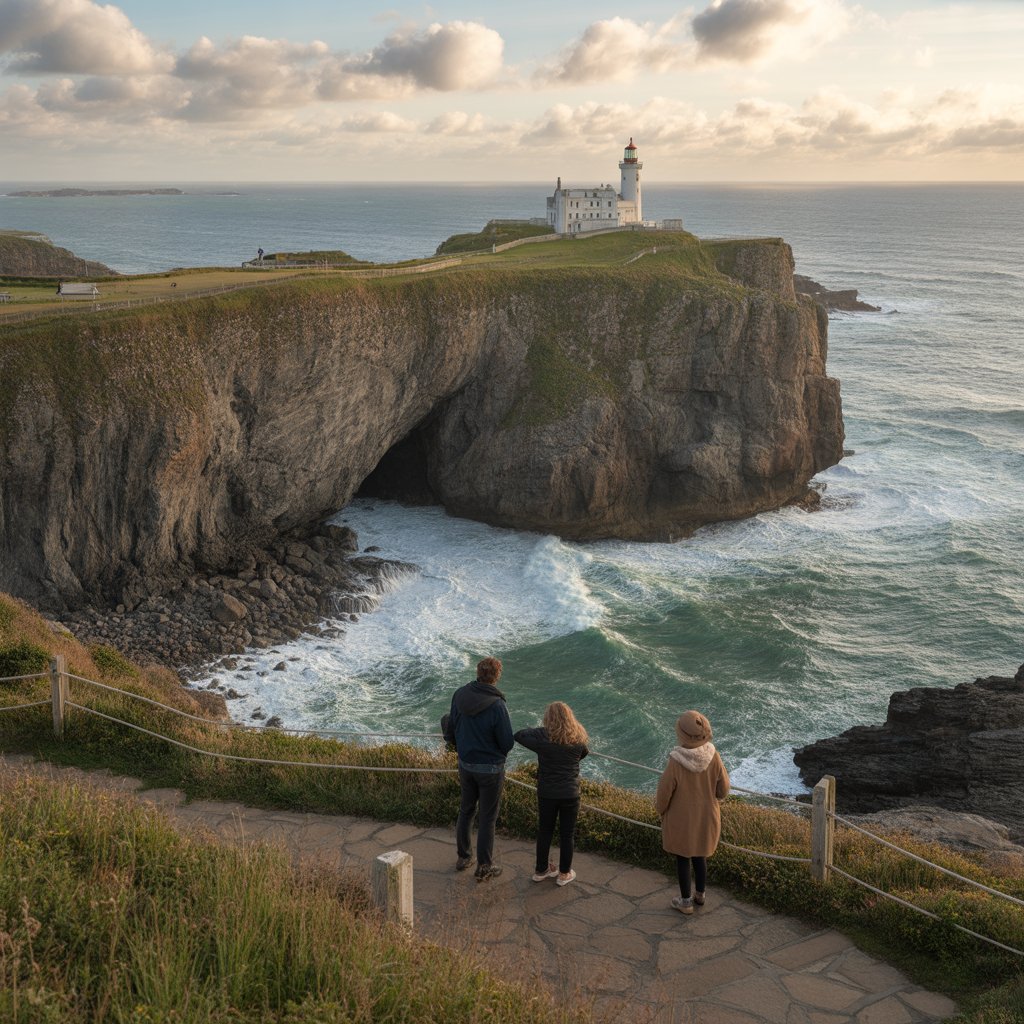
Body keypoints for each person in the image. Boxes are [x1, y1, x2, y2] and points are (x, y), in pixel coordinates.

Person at [442, 657, 513, 882]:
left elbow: (451, 724)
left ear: (478, 672)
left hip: (466, 765)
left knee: (466, 810)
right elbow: (507, 742)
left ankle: (464, 857)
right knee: (487, 818)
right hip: (490, 769)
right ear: (497, 676)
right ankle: (484, 866)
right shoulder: (497, 705)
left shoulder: (459, 694)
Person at [655, 710, 730, 915]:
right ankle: (700, 895)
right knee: (700, 855)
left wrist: (660, 810)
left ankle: (685, 901)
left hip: (681, 819)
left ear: (682, 734)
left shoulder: (676, 760)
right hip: (706, 816)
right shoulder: (714, 756)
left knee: (682, 858)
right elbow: (723, 789)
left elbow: (664, 792)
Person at [514, 702, 589, 886]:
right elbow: (584, 754)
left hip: (547, 793)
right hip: (570, 793)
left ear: (549, 719)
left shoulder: (543, 741)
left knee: (545, 831)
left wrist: (544, 730)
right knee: (567, 834)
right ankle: (564, 874)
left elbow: (519, 735)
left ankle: (541, 871)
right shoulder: (578, 740)